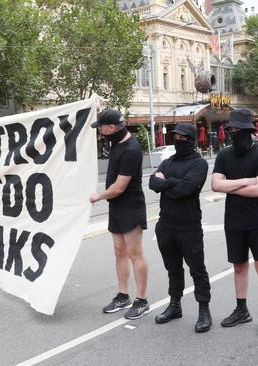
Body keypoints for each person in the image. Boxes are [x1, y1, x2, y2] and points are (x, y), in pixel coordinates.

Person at [211, 109, 258, 337]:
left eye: (237, 129)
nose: (233, 133)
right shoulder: (224, 155)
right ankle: (241, 309)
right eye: (231, 129)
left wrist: (233, 184)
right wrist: (247, 180)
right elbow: (215, 185)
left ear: (249, 130)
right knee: (238, 266)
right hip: (234, 219)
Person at [149, 123, 212, 333]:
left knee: (197, 270)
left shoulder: (199, 164)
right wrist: (173, 183)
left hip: (189, 227)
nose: (178, 140)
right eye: (175, 136)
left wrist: (166, 182)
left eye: (182, 137)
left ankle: (204, 310)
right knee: (173, 270)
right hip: (165, 225)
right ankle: (175, 305)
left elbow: (186, 190)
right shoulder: (167, 161)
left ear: (191, 139)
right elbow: (152, 184)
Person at [90, 110, 149, 320]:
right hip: (116, 207)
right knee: (119, 251)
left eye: (101, 127)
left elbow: (119, 187)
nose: (100, 131)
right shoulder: (116, 143)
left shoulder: (132, 149)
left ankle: (141, 301)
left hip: (131, 206)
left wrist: (97, 196)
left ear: (112, 128)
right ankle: (123, 296)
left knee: (134, 252)